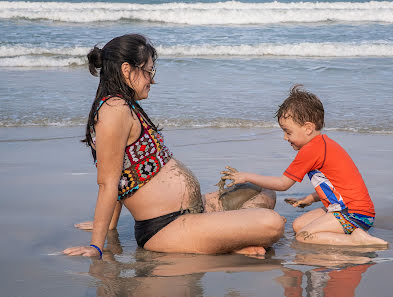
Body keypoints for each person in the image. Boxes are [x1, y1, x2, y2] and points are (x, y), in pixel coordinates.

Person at [63, 34, 284, 258]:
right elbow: (108, 182)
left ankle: (225, 237)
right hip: (166, 226)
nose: (153, 80)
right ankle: (228, 238)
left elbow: (121, 171)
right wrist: (96, 246)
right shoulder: (114, 110)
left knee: (265, 192)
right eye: (149, 71)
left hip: (195, 211)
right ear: (127, 70)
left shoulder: (126, 106)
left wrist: (111, 224)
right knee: (272, 223)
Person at [221, 85, 388, 246]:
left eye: (288, 132)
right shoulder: (323, 144)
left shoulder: (310, 150)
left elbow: (283, 184)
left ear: (308, 128)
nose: (285, 138)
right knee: (298, 225)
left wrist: (246, 176)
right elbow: (336, 185)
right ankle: (349, 233)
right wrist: (309, 199)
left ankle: (355, 240)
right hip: (356, 211)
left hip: (353, 215)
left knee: (304, 236)